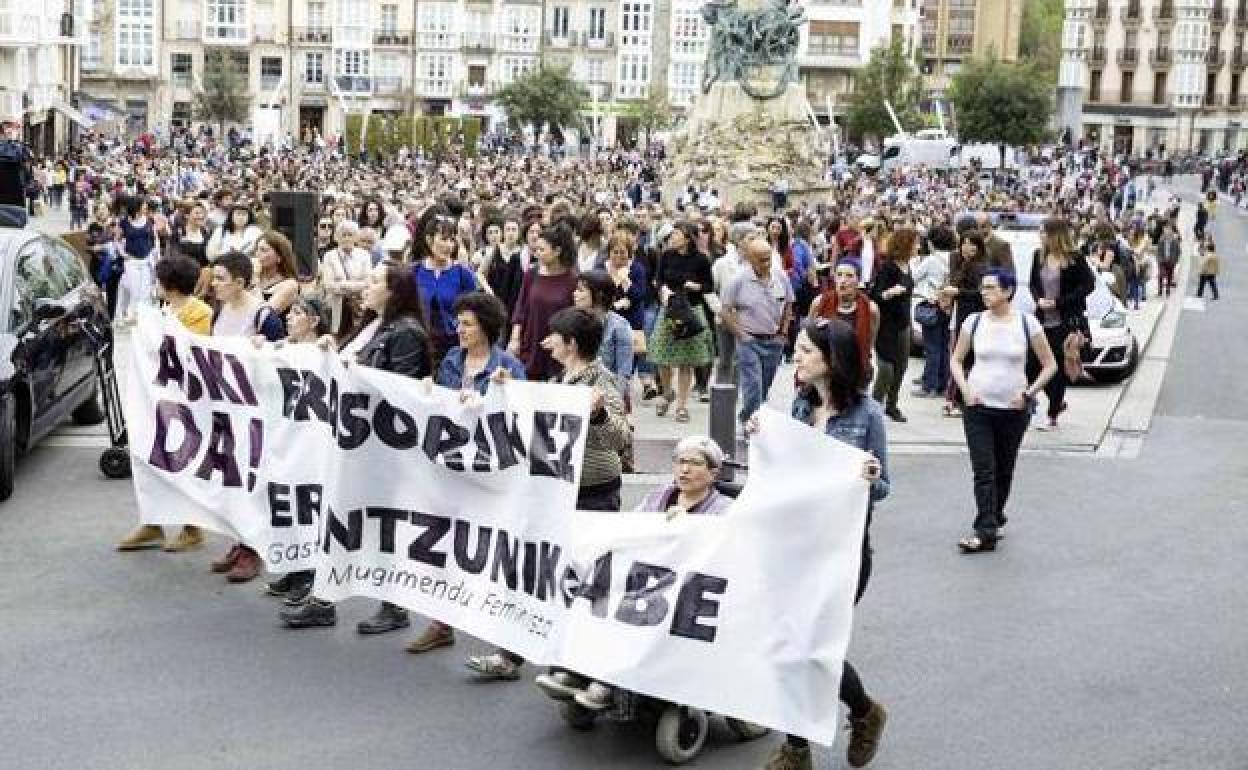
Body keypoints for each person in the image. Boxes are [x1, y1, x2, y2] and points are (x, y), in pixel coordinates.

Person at [758, 318, 889, 770]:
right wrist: (765, 440)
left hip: (843, 553)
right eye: (797, 349)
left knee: (815, 648)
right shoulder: (797, 406)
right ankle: (796, 748)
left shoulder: (868, 416)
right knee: (787, 645)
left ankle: (864, 711)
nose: (799, 357)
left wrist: (870, 477)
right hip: (794, 547)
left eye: (807, 350)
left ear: (832, 359)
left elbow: (884, 485)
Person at [280, 262, 435, 631]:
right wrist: (332, 351)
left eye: (375, 282)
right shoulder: (370, 326)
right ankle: (324, 597)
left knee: (380, 525)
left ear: (395, 291)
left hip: (381, 449)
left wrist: (351, 372)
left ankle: (393, 605)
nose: (365, 286)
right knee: (341, 517)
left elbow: (398, 388)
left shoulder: (406, 333)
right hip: (353, 442)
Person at [571, 435, 734, 713]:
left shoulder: (724, 511)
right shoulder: (660, 496)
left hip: (685, 591)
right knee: (595, 595)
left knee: (640, 614)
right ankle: (579, 666)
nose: (684, 470)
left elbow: (722, 555)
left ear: (713, 473)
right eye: (680, 462)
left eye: (694, 464)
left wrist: (685, 531)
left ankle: (609, 681)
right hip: (645, 577)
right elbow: (633, 528)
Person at [528, 307, 629, 697]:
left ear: (571, 343)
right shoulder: (560, 380)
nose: (546, 341)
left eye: (553, 336)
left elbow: (620, 439)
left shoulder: (602, 382)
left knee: (592, 583)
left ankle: (589, 667)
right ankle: (570, 661)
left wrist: (600, 413)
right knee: (566, 577)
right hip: (561, 491)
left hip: (594, 492)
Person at [949, 268, 1058, 554]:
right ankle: (984, 531)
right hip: (978, 407)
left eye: (991, 288)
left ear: (1008, 292)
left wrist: (1029, 394)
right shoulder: (973, 322)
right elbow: (957, 360)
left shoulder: (1026, 323)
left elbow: (1050, 364)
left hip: (1013, 408)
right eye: (983, 287)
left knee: (1004, 470)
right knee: (984, 470)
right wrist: (965, 390)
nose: (985, 292)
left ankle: (994, 515)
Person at [116, 255, 213, 553]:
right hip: (158, 396)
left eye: (159, 281)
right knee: (150, 452)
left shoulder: (200, 312)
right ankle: (152, 521)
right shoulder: (163, 309)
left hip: (188, 399)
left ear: (170, 284)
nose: (155, 285)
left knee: (185, 458)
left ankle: (192, 527)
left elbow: (191, 350)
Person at [207, 252, 286, 583]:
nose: (214, 284)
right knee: (233, 477)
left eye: (221, 278)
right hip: (227, 406)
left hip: (256, 411)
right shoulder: (221, 310)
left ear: (240, 282)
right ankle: (240, 541)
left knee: (254, 478)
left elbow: (284, 355)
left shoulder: (263, 315)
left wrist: (261, 351)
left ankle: (254, 549)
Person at [720, 235, 794, 428]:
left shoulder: (780, 277)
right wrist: (741, 335)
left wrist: (783, 333)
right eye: (761, 260)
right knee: (753, 387)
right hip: (749, 341)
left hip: (773, 341)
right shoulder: (738, 280)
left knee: (764, 387)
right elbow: (725, 311)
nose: (766, 263)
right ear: (750, 259)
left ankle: (754, 420)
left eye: (768, 258)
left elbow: (788, 305)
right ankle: (749, 421)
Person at [1028, 218, 1094, 430]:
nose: (1041, 236)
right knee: (1032, 366)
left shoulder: (1074, 259)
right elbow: (1032, 283)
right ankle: (1056, 402)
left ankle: (1053, 412)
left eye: (1043, 232)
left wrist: (1058, 302)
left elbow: (1088, 285)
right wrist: (1038, 299)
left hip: (1065, 322)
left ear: (1055, 235)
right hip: (1041, 320)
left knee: (1057, 369)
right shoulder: (1038, 256)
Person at [649, 222, 715, 423]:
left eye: (677, 234)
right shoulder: (667, 256)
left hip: (691, 310)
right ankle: (668, 392)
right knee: (662, 356)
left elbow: (709, 286)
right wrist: (662, 290)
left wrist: (696, 286)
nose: (672, 237)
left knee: (686, 361)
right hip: (669, 308)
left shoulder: (701, 259)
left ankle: (682, 406)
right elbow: (658, 280)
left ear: (688, 238)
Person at [508, 222, 579, 382]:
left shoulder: (573, 280)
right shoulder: (531, 274)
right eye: (536, 249)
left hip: (559, 348)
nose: (537, 253)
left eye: (542, 250)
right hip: (531, 343)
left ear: (557, 251)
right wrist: (514, 338)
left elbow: (575, 317)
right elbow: (520, 308)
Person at [412, 206, 478, 367]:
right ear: (429, 240)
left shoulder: (463, 274)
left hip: (453, 347)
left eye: (452, 240)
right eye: (443, 239)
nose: (448, 245)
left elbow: (474, 311)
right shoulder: (414, 271)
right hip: (418, 345)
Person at [868, 227, 916, 422]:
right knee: (886, 367)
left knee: (901, 366)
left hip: (903, 323)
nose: (918, 247)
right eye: (915, 243)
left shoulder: (908, 266)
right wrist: (891, 293)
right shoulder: (888, 267)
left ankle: (892, 404)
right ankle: (874, 405)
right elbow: (876, 295)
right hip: (886, 325)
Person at [809, 258, 878, 383]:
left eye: (849, 276)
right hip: (824, 371)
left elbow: (869, 343)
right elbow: (807, 338)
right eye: (839, 275)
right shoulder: (819, 303)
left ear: (858, 280)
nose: (843, 281)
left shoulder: (871, 309)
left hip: (855, 373)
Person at [573, 269, 634, 399]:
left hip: (606, 396)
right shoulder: (573, 321)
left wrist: (614, 402)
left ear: (599, 295)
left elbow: (623, 372)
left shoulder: (619, 326)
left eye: (580, 290)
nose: (574, 294)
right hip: (576, 394)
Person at [912, 224, 954, 398]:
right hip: (948, 305)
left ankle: (929, 385)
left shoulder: (931, 259)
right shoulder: (954, 258)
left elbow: (914, 277)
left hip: (932, 303)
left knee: (932, 347)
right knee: (944, 346)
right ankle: (943, 384)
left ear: (931, 242)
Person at [321, 220, 372, 336]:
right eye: (343, 235)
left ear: (356, 237)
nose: (347, 238)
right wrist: (357, 285)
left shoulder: (364, 255)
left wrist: (343, 284)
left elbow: (368, 282)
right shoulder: (329, 256)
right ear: (337, 237)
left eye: (350, 234)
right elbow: (329, 285)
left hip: (358, 306)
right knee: (336, 337)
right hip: (336, 307)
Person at [115, 196, 158, 324]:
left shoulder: (149, 220)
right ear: (136, 207)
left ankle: (141, 316)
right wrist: (123, 254)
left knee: (145, 290)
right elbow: (117, 239)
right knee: (132, 288)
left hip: (146, 260)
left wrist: (155, 251)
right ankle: (125, 313)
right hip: (132, 261)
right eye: (143, 205)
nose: (145, 207)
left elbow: (154, 238)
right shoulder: (124, 222)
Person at [253, 230, 300, 318]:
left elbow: (264, 315)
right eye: (257, 249)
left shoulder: (290, 285)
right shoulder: (254, 278)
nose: (257, 254)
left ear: (279, 257)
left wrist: (255, 279)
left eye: (263, 250)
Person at [1196, 235, 1220, 300]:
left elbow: (1204, 264)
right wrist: (1216, 272)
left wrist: (1201, 271)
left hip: (1205, 272)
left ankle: (1199, 294)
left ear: (1208, 249)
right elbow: (1217, 265)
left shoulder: (1208, 256)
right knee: (1212, 284)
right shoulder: (1215, 256)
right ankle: (1216, 295)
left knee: (1202, 283)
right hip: (1212, 273)